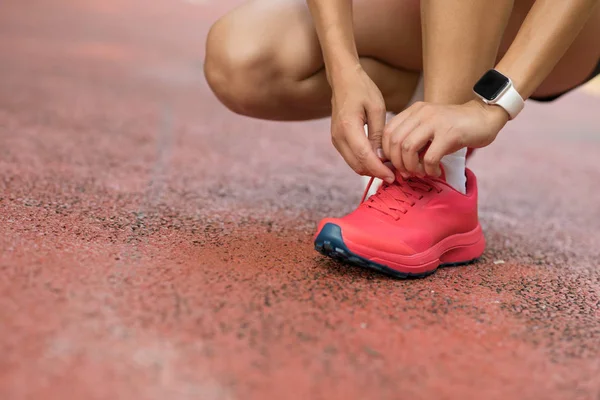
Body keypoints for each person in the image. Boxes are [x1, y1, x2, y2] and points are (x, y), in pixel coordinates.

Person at [204, 0, 600, 278]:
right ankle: (433, 112)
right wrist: (344, 71)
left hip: (556, 29)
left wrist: (492, 105)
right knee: (243, 60)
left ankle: (439, 173)